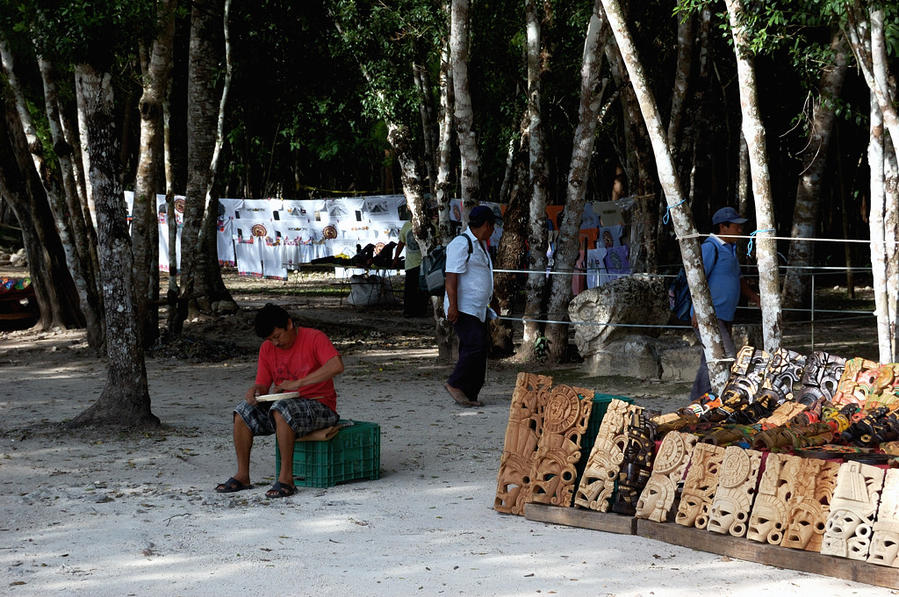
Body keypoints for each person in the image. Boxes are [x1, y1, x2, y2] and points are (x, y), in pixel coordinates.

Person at [215, 303, 344, 498]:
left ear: (289, 324)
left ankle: (286, 479)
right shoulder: (267, 349)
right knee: (242, 411)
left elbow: (336, 365)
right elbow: (262, 384)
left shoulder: (314, 337)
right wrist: (255, 391)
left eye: (277, 337)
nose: (275, 343)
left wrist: (298, 383)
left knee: (282, 410)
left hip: (321, 405)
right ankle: (243, 475)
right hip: (284, 405)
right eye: (270, 339)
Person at [691, 206, 761, 401]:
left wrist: (755, 298)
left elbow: (738, 279)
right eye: (736, 226)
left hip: (724, 314)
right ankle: (704, 398)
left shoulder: (729, 250)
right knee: (723, 356)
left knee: (711, 358)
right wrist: (697, 311)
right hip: (709, 315)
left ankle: (702, 399)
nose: (740, 230)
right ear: (723, 227)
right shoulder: (709, 247)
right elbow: (697, 279)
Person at [444, 205, 498, 408]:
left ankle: (471, 392)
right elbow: (451, 277)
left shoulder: (480, 245)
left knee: (477, 347)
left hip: (478, 307)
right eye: (492, 226)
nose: (492, 231)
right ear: (486, 225)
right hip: (464, 306)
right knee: (475, 346)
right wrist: (453, 306)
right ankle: (455, 383)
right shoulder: (461, 244)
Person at [393, 220, 429, 317]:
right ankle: (409, 311)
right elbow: (401, 243)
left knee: (423, 289)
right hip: (411, 264)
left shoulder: (429, 224)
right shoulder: (407, 225)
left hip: (425, 263)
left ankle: (421, 312)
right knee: (410, 289)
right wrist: (396, 257)